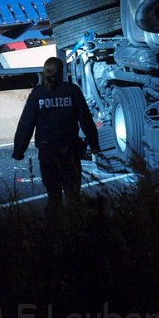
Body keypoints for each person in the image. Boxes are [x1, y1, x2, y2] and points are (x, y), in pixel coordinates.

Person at [12, 56, 100, 216]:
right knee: (73, 193)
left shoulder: (37, 94)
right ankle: (77, 228)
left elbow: (26, 124)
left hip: (47, 151)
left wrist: (19, 150)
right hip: (69, 150)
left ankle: (55, 228)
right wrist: (94, 145)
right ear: (62, 72)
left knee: (53, 194)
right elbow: (86, 120)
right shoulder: (72, 91)